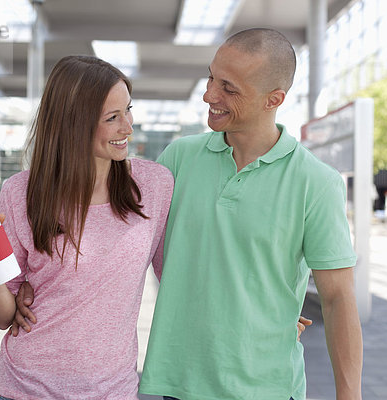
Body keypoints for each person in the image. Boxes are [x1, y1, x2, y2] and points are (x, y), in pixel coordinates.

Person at [137, 28, 364, 400]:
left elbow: (338, 298)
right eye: (211, 77)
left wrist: (349, 396)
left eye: (229, 88)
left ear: (273, 99)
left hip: (267, 388)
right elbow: (123, 238)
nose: (210, 95)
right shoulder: (178, 159)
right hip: (180, 383)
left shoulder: (316, 182)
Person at [0, 55, 175, 399]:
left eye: (128, 110)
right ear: (74, 124)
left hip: (112, 391)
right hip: (26, 389)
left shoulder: (154, 186)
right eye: (112, 118)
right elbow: (3, 315)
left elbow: (179, 276)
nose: (127, 127)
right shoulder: (21, 193)